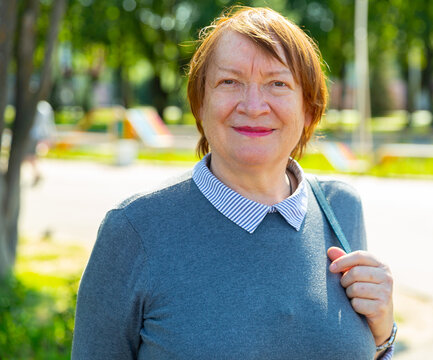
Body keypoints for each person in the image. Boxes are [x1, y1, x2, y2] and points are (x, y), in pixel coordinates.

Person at [72, 6, 395, 359]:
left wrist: (383, 335)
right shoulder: (134, 230)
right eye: (230, 82)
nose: (254, 105)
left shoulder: (341, 208)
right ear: (200, 103)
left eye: (278, 83)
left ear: (308, 108)